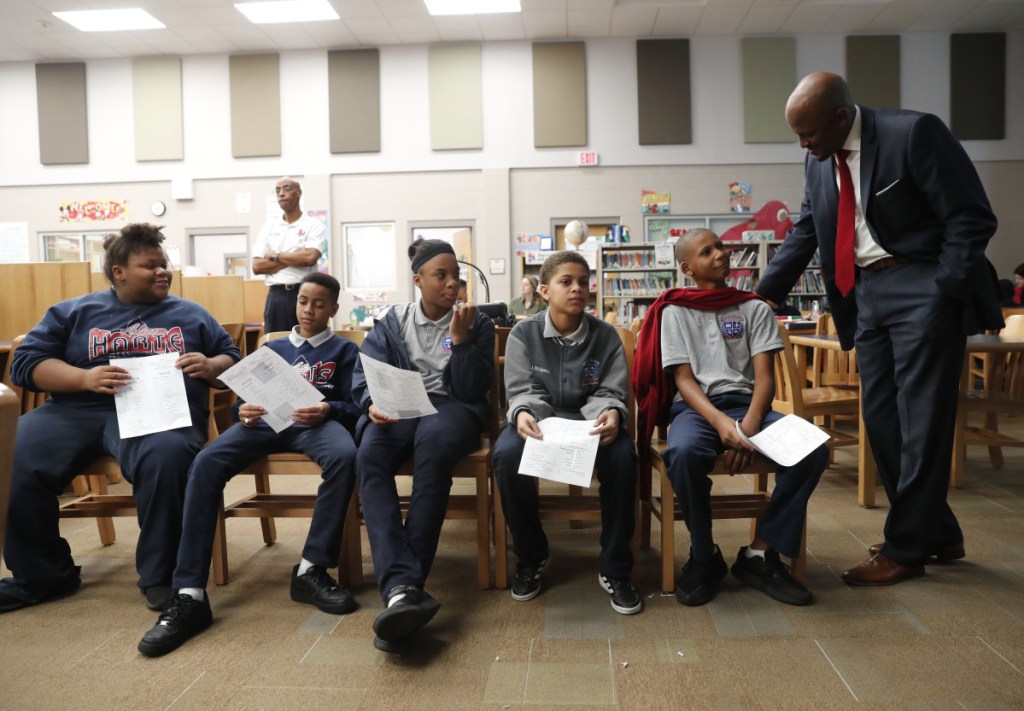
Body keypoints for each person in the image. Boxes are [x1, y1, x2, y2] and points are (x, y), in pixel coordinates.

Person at [756, 72, 1003, 586]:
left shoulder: (914, 134)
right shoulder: (818, 161)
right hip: (864, 294)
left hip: (922, 284)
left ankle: (906, 547)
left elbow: (971, 216)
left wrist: (944, 289)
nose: (803, 144)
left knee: (924, 420)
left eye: (809, 134)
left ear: (841, 118)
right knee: (883, 418)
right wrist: (761, 297)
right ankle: (937, 532)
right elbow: (806, 230)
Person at [0, 223, 240, 614]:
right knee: (9, 455)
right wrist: (82, 377)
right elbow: (26, 364)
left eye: (165, 265)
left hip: (156, 410)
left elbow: (232, 358)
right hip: (76, 408)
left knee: (169, 456)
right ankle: (41, 576)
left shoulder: (191, 314)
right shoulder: (74, 312)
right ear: (119, 272)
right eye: (150, 265)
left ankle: (163, 576)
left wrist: (211, 363)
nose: (163, 272)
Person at [137, 272, 360, 657]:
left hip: (315, 425)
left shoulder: (345, 351)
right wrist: (244, 411)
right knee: (205, 462)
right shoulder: (271, 350)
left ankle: (311, 569)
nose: (309, 310)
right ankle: (188, 590)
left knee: (345, 456)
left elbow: (355, 406)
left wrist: (328, 408)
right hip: (264, 424)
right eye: (304, 301)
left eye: (319, 304)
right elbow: (242, 402)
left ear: (334, 310)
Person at [635, 229, 826, 607]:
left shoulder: (753, 306)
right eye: (707, 251)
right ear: (688, 268)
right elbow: (684, 380)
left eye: (720, 246)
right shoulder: (673, 311)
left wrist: (749, 429)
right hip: (696, 408)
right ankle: (704, 556)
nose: (721, 254)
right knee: (684, 453)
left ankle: (760, 553)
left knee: (813, 449)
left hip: (749, 406)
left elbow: (765, 378)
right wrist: (724, 427)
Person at [352, 239, 494, 653]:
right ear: (418, 280)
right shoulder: (391, 322)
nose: (452, 284)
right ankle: (404, 591)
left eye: (456, 276)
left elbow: (472, 389)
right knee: (370, 455)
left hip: (453, 408)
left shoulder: (476, 323)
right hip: (400, 405)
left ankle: (402, 587)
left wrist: (461, 339)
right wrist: (370, 403)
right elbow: (366, 375)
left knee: (433, 450)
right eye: (441, 275)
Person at [492, 250, 641, 615]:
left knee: (623, 456)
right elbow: (520, 387)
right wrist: (524, 411)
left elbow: (612, 390)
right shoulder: (523, 334)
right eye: (566, 282)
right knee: (507, 453)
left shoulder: (606, 337)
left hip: (590, 422)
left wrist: (610, 412)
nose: (577, 289)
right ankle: (532, 555)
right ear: (544, 290)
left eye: (583, 282)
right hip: (541, 422)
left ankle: (615, 566)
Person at [251, 177, 325, 333]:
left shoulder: (314, 225)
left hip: (304, 294)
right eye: (277, 191)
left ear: (299, 193)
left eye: (286, 189)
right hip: (276, 296)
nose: (281, 194)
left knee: (307, 344)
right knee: (275, 347)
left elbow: (309, 258)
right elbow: (257, 266)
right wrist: (296, 256)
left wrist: (275, 255)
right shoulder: (268, 227)